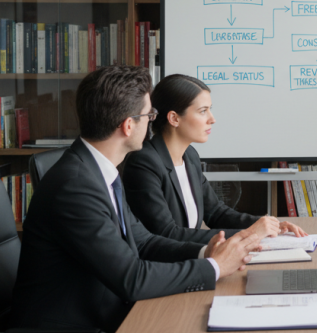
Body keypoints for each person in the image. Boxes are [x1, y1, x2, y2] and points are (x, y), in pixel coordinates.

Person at [11, 65, 260, 333]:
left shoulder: (99, 170)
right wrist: (213, 267)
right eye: (149, 115)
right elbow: (132, 278)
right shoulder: (76, 187)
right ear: (129, 125)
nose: (152, 121)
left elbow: (144, 241)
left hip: (108, 313)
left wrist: (205, 252)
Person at [122, 74, 306, 243]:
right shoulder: (144, 163)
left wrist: (268, 224)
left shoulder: (190, 156)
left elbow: (216, 213)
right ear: (174, 118)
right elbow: (167, 234)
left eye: (210, 109)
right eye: (203, 111)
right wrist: (252, 233)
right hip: (166, 269)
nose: (212, 119)